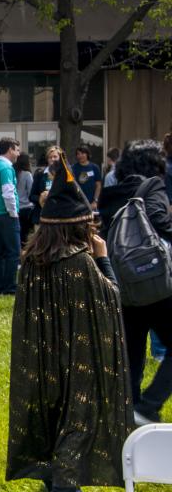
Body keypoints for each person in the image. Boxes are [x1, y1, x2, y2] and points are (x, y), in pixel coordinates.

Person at [7, 162, 132, 492]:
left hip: (42, 357)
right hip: (77, 355)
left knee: (50, 414)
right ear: (79, 226)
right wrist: (104, 259)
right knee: (76, 418)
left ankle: (55, 482)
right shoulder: (80, 262)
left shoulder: (32, 260)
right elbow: (112, 299)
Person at [98, 139, 172, 426]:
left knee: (132, 353)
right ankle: (148, 407)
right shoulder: (152, 186)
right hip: (152, 281)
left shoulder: (111, 193)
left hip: (123, 283)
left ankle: (125, 412)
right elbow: (156, 220)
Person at [0, 137, 21, 295]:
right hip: (5, 215)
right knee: (13, 252)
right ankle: (10, 287)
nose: (18, 154)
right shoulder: (6, 168)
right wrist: (13, 214)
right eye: (17, 150)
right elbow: (8, 193)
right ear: (10, 149)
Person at [28, 145, 63, 225]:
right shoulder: (40, 174)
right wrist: (42, 198)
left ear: (60, 158)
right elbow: (32, 196)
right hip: (41, 217)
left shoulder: (66, 175)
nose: (52, 159)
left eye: (55, 156)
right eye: (50, 157)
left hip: (60, 218)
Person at [71, 144, 102, 209]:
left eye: (82, 153)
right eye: (78, 154)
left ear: (87, 154)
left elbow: (98, 185)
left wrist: (95, 201)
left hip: (92, 204)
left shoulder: (94, 167)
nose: (80, 156)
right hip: (77, 204)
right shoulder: (73, 168)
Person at [15, 153, 34, 245]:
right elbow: (31, 191)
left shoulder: (14, 173)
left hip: (15, 207)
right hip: (26, 207)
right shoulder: (27, 174)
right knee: (25, 234)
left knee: (18, 233)